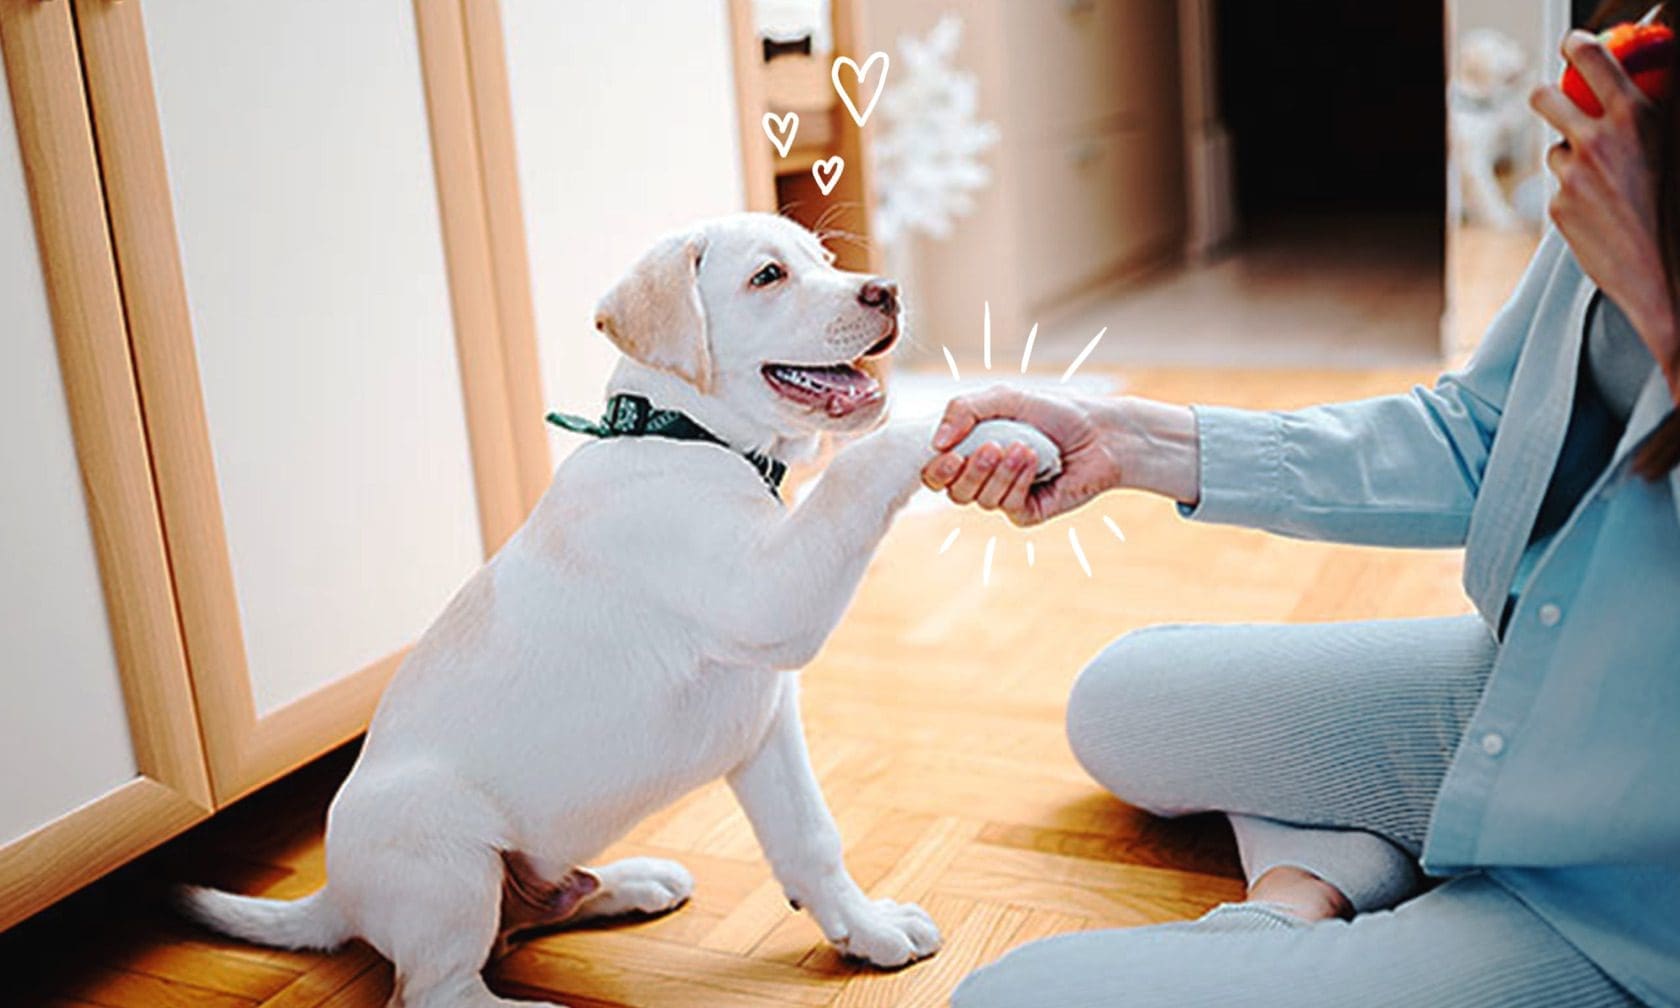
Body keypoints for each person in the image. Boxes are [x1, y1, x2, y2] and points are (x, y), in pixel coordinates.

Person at [923, 12, 1680, 1008]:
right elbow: (1486, 430)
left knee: (1006, 999)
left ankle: (1308, 906)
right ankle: (1344, 875)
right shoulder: (1648, 91)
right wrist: (1132, 442)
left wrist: (1659, 300)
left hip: (1638, 886)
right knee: (1125, 701)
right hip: (1544, 686)